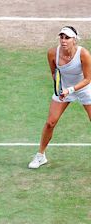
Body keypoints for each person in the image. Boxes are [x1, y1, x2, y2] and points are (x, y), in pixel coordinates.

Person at [29, 26, 91, 169]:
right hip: (63, 90)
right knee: (50, 123)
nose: (63, 40)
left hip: (84, 89)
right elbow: (54, 74)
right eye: (61, 37)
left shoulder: (84, 54)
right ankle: (40, 156)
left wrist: (70, 90)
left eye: (67, 38)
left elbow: (88, 79)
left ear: (74, 40)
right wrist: (60, 89)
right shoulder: (52, 53)